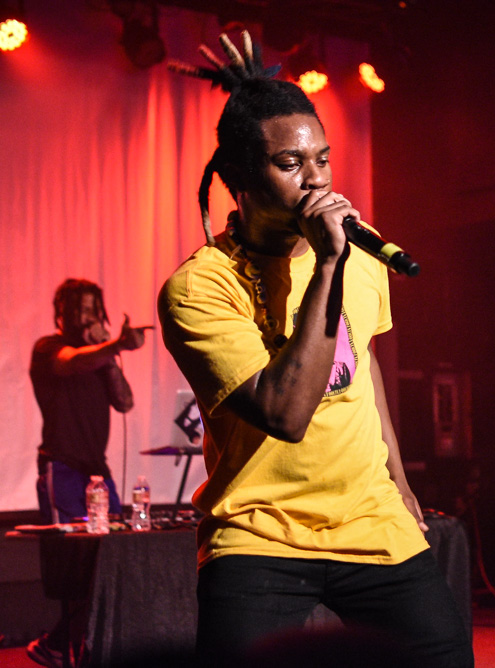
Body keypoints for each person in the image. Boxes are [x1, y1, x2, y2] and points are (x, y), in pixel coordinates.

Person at [158, 32, 473, 667]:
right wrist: (327, 265)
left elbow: (364, 367)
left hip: (369, 519)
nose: (317, 181)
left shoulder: (359, 252)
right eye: (291, 164)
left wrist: (399, 481)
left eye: (323, 160)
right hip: (258, 529)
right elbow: (285, 414)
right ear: (241, 178)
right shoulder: (198, 289)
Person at [27, 278, 150, 667]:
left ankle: (68, 644)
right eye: (78, 309)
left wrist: (111, 355)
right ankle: (64, 645)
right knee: (74, 563)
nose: (86, 317)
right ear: (60, 314)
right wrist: (113, 345)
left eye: (93, 308)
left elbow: (125, 401)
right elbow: (68, 363)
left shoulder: (100, 359)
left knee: (113, 556)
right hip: (61, 467)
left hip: (98, 472)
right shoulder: (49, 348)